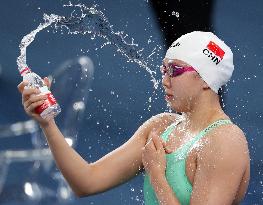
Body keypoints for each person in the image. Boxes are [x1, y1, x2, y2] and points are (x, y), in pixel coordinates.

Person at [18, 31, 250, 205]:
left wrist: (158, 175)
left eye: (176, 71)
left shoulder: (225, 142)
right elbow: (86, 182)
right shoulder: (162, 126)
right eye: (163, 69)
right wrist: (47, 122)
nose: (165, 80)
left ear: (205, 78)